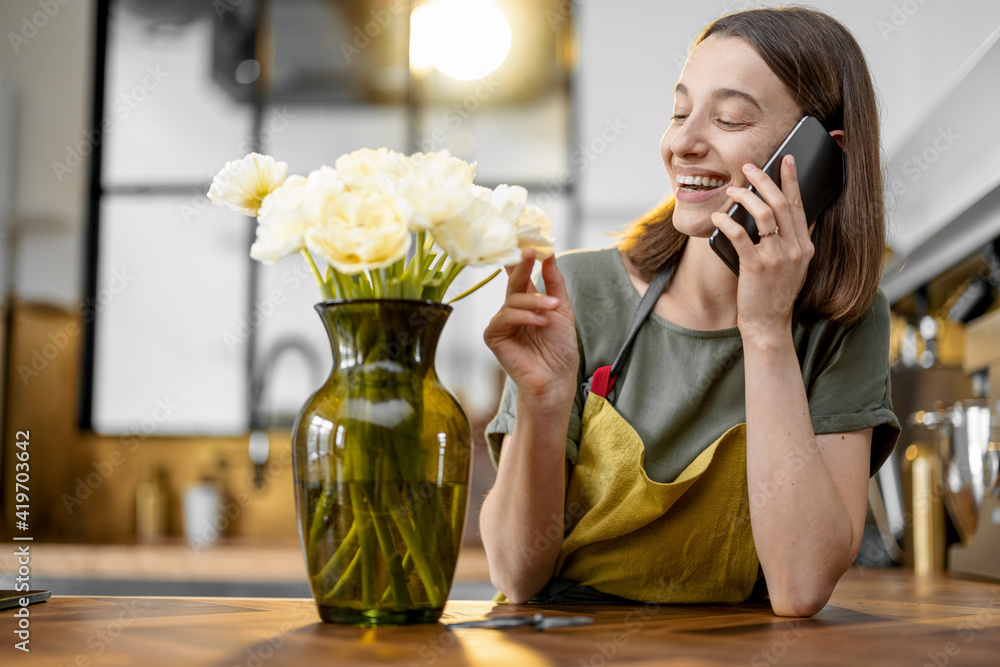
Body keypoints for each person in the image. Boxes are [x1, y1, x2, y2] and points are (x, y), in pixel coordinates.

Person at [479, 6, 901, 618]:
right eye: (680, 111)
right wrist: (543, 405)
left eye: (729, 118)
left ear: (818, 157)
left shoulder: (845, 321)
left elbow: (800, 584)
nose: (683, 142)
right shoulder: (577, 290)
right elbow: (517, 574)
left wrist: (765, 332)